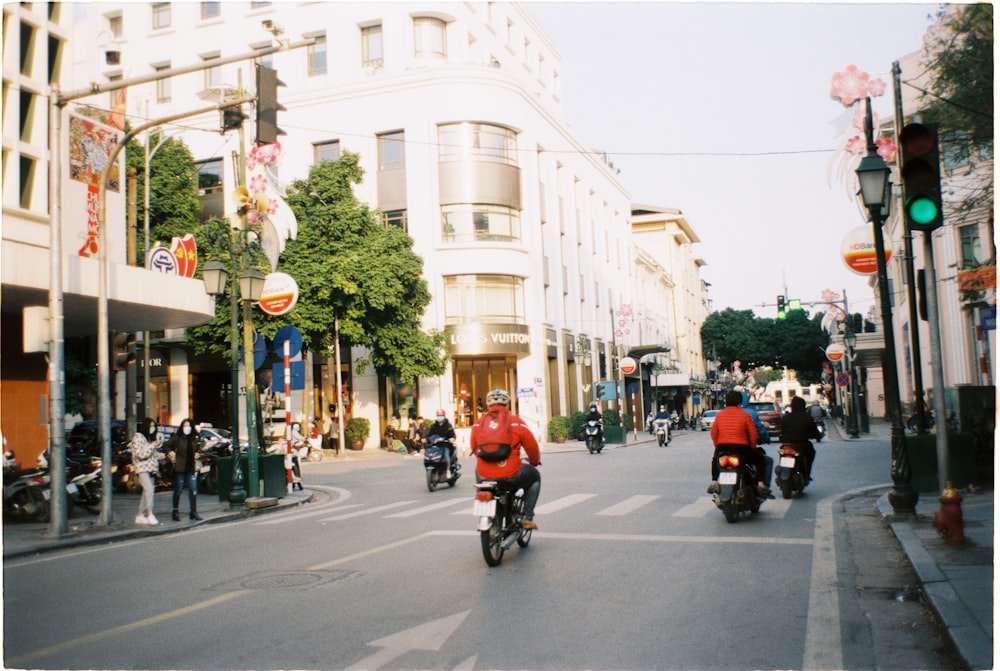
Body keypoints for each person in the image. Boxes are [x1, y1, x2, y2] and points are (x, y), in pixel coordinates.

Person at [470, 389, 542, 530]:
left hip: (483, 474)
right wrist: (534, 461)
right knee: (535, 478)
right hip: (511, 472)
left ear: (488, 405)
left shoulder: (479, 423)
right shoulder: (516, 422)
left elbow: (474, 447)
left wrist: (488, 460)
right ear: (507, 404)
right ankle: (527, 518)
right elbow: (532, 447)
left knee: (478, 471)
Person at [707, 390, 773, 497]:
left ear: (726, 401)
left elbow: (714, 434)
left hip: (722, 447)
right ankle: (761, 485)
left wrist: (718, 446)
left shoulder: (720, 415)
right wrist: (752, 448)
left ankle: (714, 481)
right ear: (740, 402)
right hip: (741, 448)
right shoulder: (745, 415)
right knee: (760, 460)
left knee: (715, 461)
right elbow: (753, 434)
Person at [165, 418, 202, 521]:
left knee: (193, 489)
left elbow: (198, 449)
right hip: (179, 468)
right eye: (185, 426)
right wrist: (171, 455)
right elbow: (166, 446)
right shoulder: (177, 438)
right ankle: (175, 511)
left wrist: (197, 454)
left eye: (189, 426)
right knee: (178, 490)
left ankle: (193, 511)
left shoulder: (194, 439)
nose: (187, 428)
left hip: (190, 467)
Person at [780, 396, 821, 483]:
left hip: (787, 444)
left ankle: (782, 472)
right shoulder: (807, 418)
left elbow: (782, 431)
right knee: (811, 453)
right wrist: (817, 436)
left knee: (782, 454)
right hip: (802, 444)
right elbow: (815, 432)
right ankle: (806, 475)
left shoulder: (786, 417)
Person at [131, 417, 161, 525]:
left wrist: (158, 454)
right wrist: (152, 446)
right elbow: (141, 454)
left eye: (154, 426)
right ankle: (149, 513)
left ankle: (139, 514)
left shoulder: (149, 438)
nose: (152, 428)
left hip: (151, 468)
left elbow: (150, 454)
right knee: (149, 489)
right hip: (141, 468)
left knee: (146, 492)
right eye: (151, 426)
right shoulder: (138, 437)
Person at [426, 409, 457, 474]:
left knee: (446, 452)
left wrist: (452, 439)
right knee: (429, 452)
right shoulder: (433, 426)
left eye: (441, 416)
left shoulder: (448, 426)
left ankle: (448, 469)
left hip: (446, 444)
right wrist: (428, 439)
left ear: (444, 416)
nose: (439, 417)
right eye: (438, 416)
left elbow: (453, 435)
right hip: (436, 445)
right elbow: (429, 435)